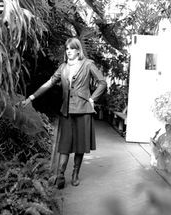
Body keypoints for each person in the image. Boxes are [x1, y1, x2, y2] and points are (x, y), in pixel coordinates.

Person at [21, 37, 107, 189]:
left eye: (72, 49)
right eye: (67, 49)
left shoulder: (88, 64)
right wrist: (31, 97)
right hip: (66, 111)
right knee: (64, 145)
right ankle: (60, 175)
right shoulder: (63, 67)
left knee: (80, 145)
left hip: (83, 110)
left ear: (78, 50)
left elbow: (102, 83)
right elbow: (49, 82)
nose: (68, 51)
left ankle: (75, 174)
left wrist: (93, 99)